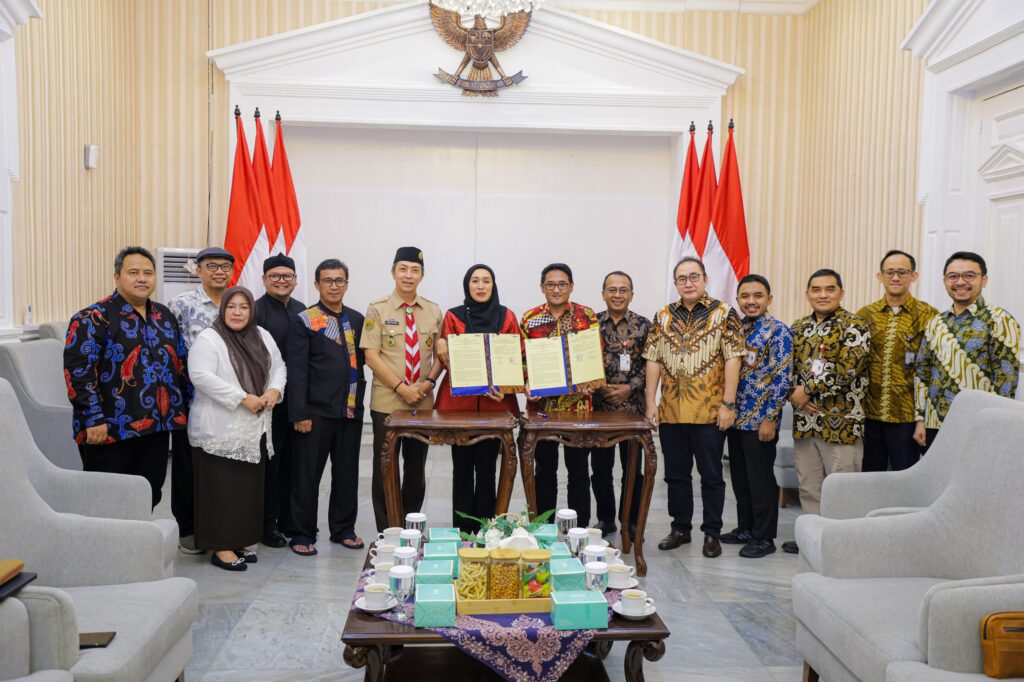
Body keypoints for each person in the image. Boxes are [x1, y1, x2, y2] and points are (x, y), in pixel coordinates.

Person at [63, 246, 189, 508]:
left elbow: (179, 366)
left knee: (149, 493)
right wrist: (93, 419)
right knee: (105, 500)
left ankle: (139, 536)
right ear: (117, 277)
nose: (142, 278)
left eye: (148, 273)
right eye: (133, 272)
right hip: (109, 429)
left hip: (156, 426)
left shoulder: (164, 316)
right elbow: (79, 374)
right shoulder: (92, 318)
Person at [643, 257, 744, 559]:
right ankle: (680, 528)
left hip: (710, 412)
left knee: (711, 476)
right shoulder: (663, 316)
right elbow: (653, 359)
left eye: (694, 277)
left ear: (705, 279)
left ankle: (712, 532)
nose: (688, 283)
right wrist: (650, 402)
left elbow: (733, 359)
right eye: (682, 279)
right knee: (676, 476)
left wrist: (728, 404)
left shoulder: (724, 313)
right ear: (676, 283)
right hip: (671, 411)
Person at [188, 286, 286, 571]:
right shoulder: (209, 338)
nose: (237, 312)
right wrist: (242, 397)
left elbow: (279, 367)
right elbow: (200, 376)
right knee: (222, 490)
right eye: (231, 307)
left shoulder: (262, 335)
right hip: (218, 429)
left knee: (246, 491)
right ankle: (221, 547)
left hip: (253, 430)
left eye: (244, 307)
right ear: (223, 310)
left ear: (251, 310)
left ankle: (240, 540)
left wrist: (274, 390)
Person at [287, 259, 367, 556]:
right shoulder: (305, 320)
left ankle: (344, 529)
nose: (334, 286)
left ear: (347, 284)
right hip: (315, 413)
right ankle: (302, 532)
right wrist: (299, 414)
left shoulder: (357, 319)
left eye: (339, 280)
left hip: (350, 411)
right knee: (307, 476)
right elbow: (296, 371)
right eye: (328, 280)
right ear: (317, 285)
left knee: (347, 474)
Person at [434, 264, 521, 533]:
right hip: (460, 407)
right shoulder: (454, 316)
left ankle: (485, 530)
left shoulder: (507, 316)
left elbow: (514, 356)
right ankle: (461, 531)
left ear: (493, 285)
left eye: (486, 281)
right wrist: (442, 345)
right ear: (467, 285)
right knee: (461, 469)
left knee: (487, 469)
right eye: (475, 281)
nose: (481, 286)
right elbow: (446, 356)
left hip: (495, 406)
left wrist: (505, 385)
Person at [361, 247, 443, 532]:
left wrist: (428, 383)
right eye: (403, 269)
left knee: (416, 469)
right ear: (393, 272)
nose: (409, 275)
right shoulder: (377, 308)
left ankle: (411, 527)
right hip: (387, 402)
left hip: (422, 403)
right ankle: (387, 530)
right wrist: (400, 387)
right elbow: (371, 356)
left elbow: (440, 356)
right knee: (385, 468)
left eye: (415, 270)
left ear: (422, 275)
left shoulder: (433, 310)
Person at [914, 251, 1021, 449]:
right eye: (953, 276)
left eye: (969, 275)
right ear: (945, 281)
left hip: (979, 425)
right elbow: (922, 372)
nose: (960, 282)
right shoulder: (935, 322)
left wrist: (997, 425)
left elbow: (1006, 380)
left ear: (984, 280)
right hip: (935, 424)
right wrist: (920, 418)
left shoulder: (1000, 319)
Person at [168, 246, 236, 554]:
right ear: (198, 270)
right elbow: (170, 351)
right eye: (212, 266)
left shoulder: (237, 302)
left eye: (225, 267)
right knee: (188, 466)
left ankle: (220, 528)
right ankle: (189, 529)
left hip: (230, 401)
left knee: (221, 468)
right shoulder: (181, 304)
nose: (219, 272)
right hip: (191, 399)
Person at [520, 263, 600, 524]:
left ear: (571, 287)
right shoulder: (530, 318)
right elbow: (521, 360)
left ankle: (580, 528)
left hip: (578, 408)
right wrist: (526, 383)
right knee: (544, 469)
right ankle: (544, 527)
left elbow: (594, 354)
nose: (556, 290)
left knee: (578, 470)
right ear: (542, 287)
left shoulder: (586, 316)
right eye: (551, 285)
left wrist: (590, 380)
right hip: (542, 409)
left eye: (562, 284)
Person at [789, 269, 870, 519]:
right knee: (809, 488)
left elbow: (848, 370)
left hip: (842, 425)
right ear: (807, 294)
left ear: (841, 293)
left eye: (829, 289)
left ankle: (839, 539)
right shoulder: (798, 328)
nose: (822, 295)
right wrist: (794, 394)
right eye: (816, 290)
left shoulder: (855, 326)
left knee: (842, 491)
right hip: (806, 423)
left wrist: (807, 391)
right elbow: (785, 368)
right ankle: (814, 536)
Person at [721, 275, 792, 559]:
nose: (751, 301)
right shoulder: (736, 329)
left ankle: (764, 536)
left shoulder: (778, 331)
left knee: (761, 480)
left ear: (769, 299)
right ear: (738, 300)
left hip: (760, 420)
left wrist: (770, 418)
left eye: (758, 296)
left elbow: (782, 379)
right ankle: (746, 528)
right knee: (740, 478)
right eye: (745, 296)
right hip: (735, 418)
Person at [856, 250, 937, 472]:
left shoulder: (929, 315)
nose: (895, 277)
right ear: (880, 276)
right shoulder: (865, 315)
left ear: (914, 276)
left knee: (905, 477)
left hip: (907, 415)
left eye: (902, 272)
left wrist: (923, 419)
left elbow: (933, 370)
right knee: (870, 476)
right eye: (889, 272)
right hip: (869, 413)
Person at [589, 271, 649, 538]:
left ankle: (631, 520)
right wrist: (601, 387)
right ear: (603, 294)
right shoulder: (590, 325)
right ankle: (606, 519)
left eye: (623, 290)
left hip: (632, 411)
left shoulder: (643, 325)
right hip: (599, 410)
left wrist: (629, 388)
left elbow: (651, 364)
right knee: (600, 469)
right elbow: (582, 360)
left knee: (633, 470)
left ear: (631, 295)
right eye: (611, 290)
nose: (617, 295)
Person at [254, 253, 306, 548]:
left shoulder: (303, 311)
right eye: (275, 275)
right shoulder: (255, 311)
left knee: (294, 464)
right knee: (269, 466)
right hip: (268, 402)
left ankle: (289, 520)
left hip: (297, 403)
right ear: (264, 280)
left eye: (287, 275)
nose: (281, 280)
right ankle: (267, 525)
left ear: (295, 280)